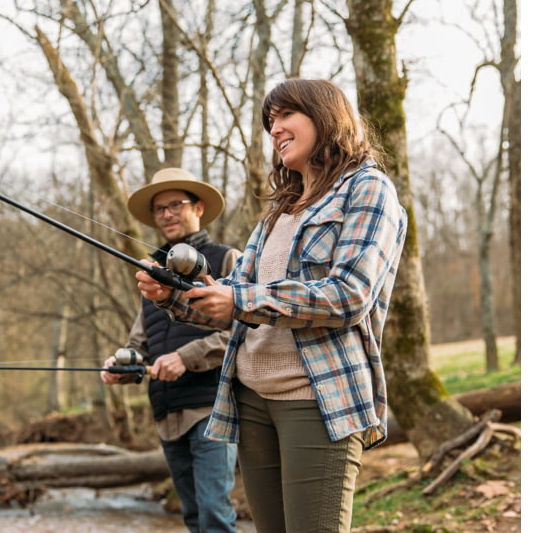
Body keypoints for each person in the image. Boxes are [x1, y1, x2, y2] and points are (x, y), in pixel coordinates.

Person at [134, 79, 408, 533]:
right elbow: (234, 299)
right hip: (250, 398)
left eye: (285, 116)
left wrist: (238, 297)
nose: (274, 129)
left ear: (326, 117)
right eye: (270, 122)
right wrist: (175, 297)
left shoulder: (368, 189)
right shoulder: (278, 211)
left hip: (317, 397)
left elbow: (349, 295)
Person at [101, 167, 242, 533]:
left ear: (197, 207)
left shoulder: (227, 260)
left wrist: (186, 357)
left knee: (215, 516)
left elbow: (246, 333)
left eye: (174, 205)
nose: (166, 214)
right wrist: (120, 365)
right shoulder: (148, 273)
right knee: (194, 519)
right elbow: (139, 342)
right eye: (159, 209)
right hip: (166, 413)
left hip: (213, 408)